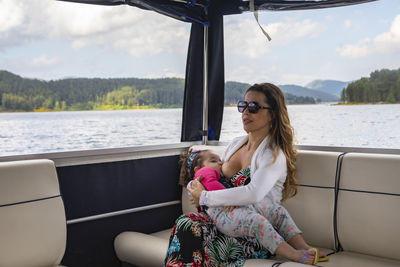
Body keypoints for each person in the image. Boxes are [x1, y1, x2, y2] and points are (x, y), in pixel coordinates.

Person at [186, 83, 327, 265]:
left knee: (189, 227)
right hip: (226, 222)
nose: (245, 112)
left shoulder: (273, 154)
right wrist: (196, 191)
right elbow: (212, 178)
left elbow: (253, 193)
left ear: (273, 114)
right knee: (188, 223)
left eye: (253, 107)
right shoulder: (235, 144)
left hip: (257, 234)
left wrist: (204, 197)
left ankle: (302, 249)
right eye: (243, 106)